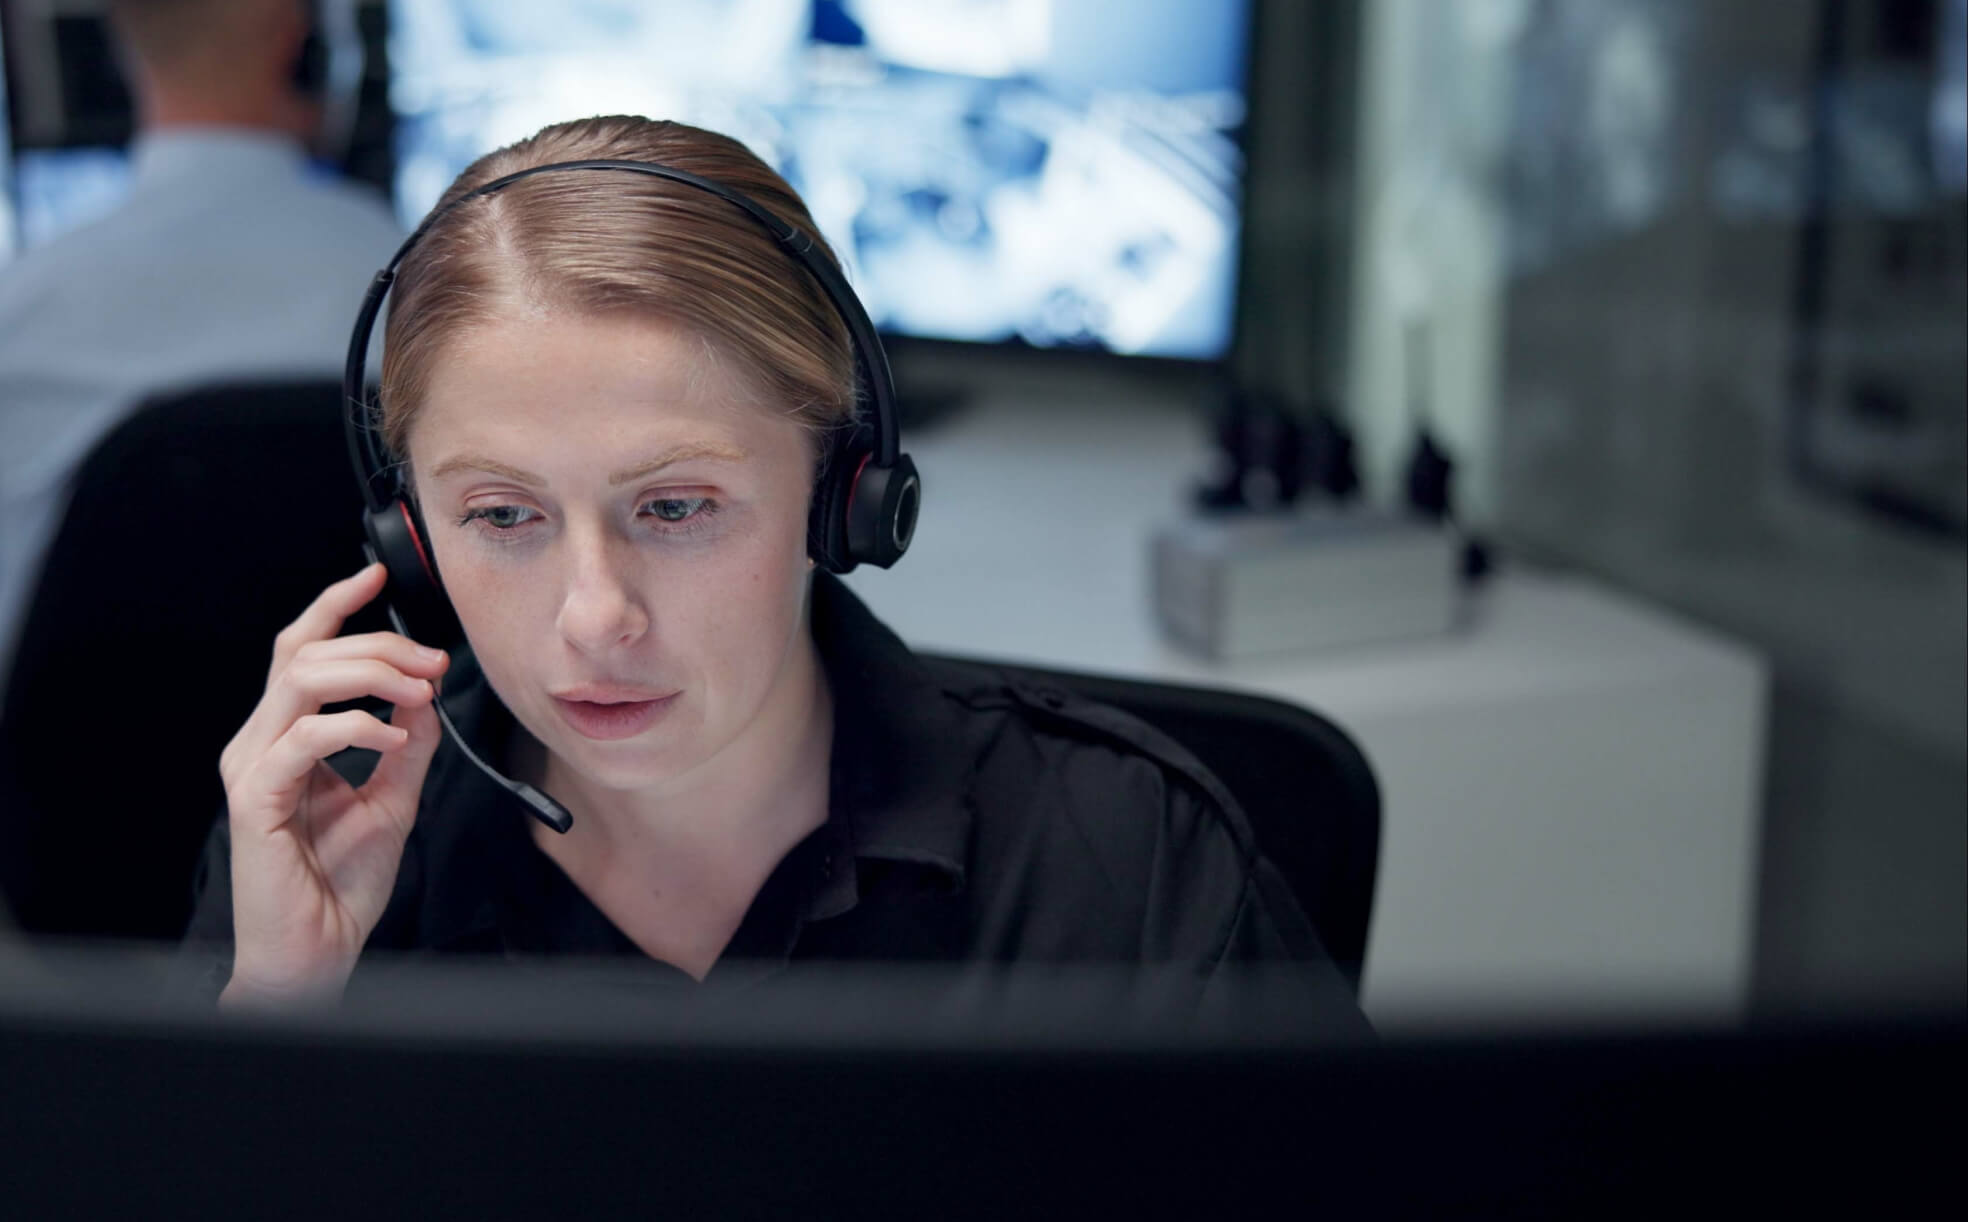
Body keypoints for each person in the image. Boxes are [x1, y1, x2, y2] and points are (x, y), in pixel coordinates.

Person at [187, 115, 1362, 1030]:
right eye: (502, 515)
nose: (596, 618)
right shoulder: (321, 843)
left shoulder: (1121, 859)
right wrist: (278, 1014)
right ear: (407, 533)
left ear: (842, 491)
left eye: (677, 505)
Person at [0, 0, 404, 726]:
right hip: (374, 777)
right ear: (302, 39)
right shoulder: (429, 298)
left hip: (90, 817)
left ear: (117, 51)